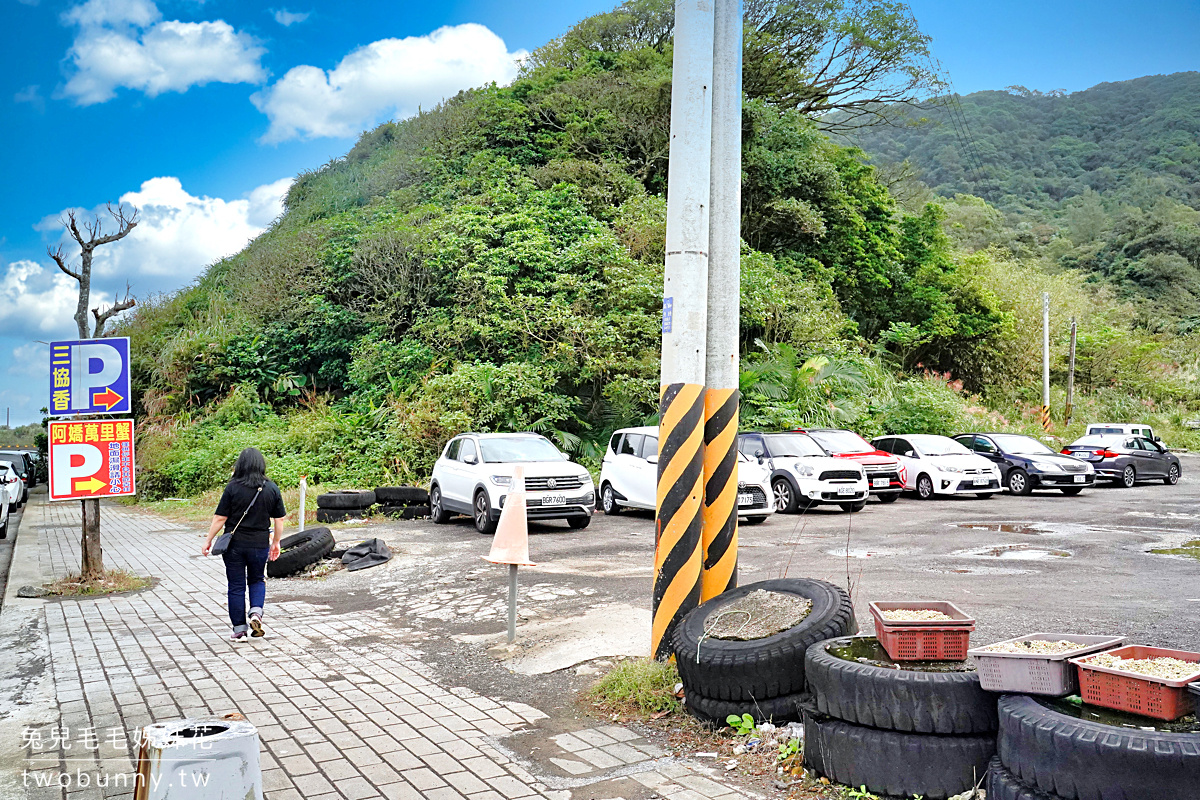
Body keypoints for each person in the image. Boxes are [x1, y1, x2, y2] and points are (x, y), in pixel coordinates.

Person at [202, 448, 287, 642]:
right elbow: (279, 520)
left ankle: (239, 630)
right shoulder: (271, 488)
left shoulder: (232, 487)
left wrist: (208, 540)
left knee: (236, 586)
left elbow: (220, 517)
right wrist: (276, 543)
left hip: (234, 546)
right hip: (259, 544)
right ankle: (256, 613)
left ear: (240, 465)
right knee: (257, 579)